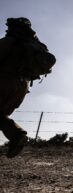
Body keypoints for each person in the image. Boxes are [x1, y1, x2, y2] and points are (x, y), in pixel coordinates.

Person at [0, 17, 53, 158]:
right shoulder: (34, 46)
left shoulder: (10, 41)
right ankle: (16, 135)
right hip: (23, 87)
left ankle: (17, 135)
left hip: (5, 81)